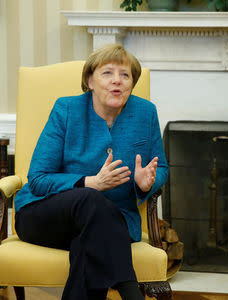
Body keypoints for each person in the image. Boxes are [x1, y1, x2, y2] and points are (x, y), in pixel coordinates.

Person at [13, 44, 169, 300]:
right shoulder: (66, 110)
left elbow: (160, 167)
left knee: (90, 244)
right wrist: (90, 182)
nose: (117, 81)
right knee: (90, 198)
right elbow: (38, 180)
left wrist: (145, 183)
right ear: (90, 81)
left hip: (110, 223)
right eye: (107, 73)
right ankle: (131, 291)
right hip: (43, 215)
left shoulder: (145, 113)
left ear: (132, 82)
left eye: (125, 75)